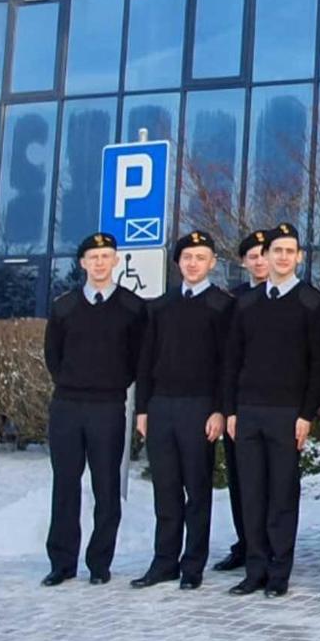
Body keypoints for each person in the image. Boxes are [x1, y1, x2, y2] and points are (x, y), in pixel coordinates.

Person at [222, 223, 320, 598]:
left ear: (298, 257)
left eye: (289, 251)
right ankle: (255, 569)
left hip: (287, 413)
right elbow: (232, 361)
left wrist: (305, 414)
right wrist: (230, 411)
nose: (282, 257)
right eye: (275, 250)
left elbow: (319, 365)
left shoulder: (312, 303)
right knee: (251, 493)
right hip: (248, 411)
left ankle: (279, 571)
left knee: (282, 493)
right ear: (264, 258)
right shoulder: (246, 304)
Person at [40, 232, 146, 587]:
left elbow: (138, 359)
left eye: (106, 257)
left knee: (106, 485)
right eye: (93, 257)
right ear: (83, 263)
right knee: (65, 484)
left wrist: (113, 381)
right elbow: (52, 354)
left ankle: (100, 563)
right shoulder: (65, 306)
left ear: (116, 261)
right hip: (67, 406)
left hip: (108, 405)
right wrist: (70, 381)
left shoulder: (133, 307)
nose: (100, 263)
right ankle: (62, 562)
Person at [131, 231, 234, 591]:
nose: (193, 263)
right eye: (187, 257)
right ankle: (164, 562)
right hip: (161, 406)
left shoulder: (223, 306)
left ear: (212, 263)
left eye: (200, 257)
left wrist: (220, 410)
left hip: (200, 407)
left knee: (198, 489)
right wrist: (142, 409)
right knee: (166, 490)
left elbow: (227, 365)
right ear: (178, 263)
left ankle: (192, 565)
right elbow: (145, 362)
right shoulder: (159, 306)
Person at [213, 228, 273, 574]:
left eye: (265, 254)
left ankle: (268, 543)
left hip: (275, 405)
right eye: (253, 257)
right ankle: (246, 542)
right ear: (244, 262)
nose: (260, 261)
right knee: (241, 478)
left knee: (273, 481)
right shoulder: (232, 301)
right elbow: (225, 358)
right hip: (239, 405)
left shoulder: (291, 296)